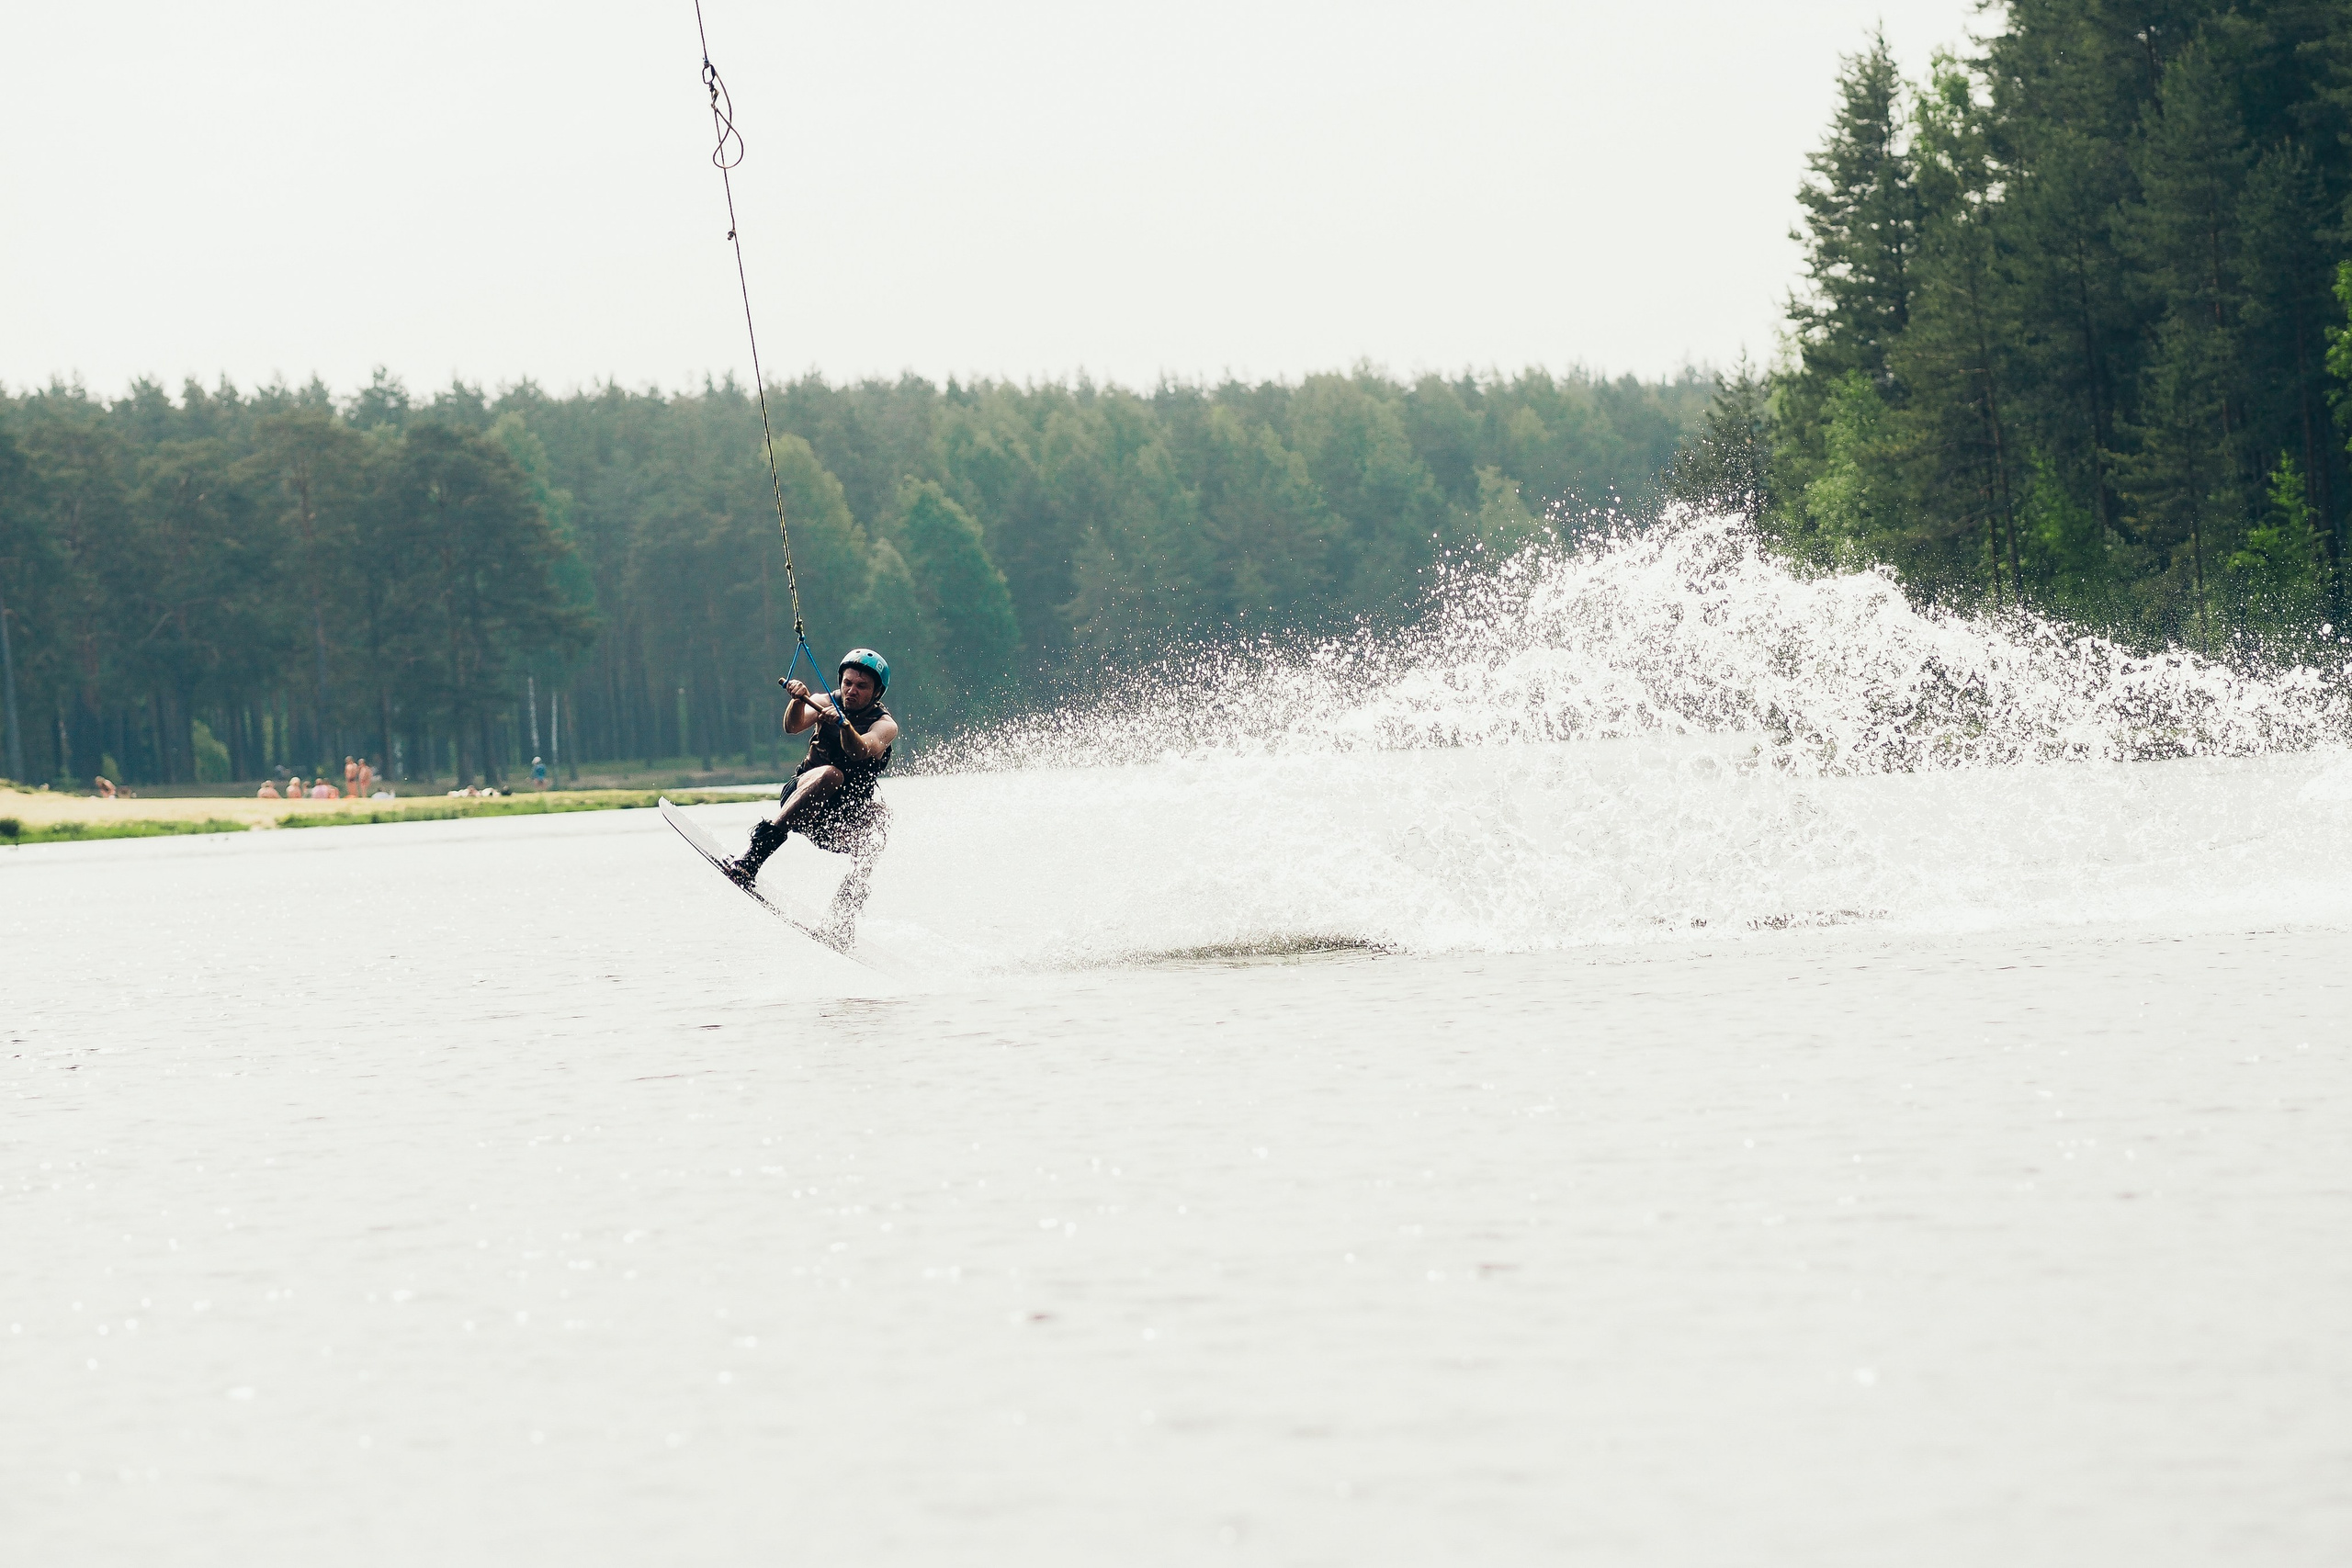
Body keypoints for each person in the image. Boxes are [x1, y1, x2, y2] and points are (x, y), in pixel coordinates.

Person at [726, 648, 897, 943]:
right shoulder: (824, 701)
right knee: (832, 774)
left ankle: (841, 918)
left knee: (881, 819)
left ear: (877, 692)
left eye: (861, 686)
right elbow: (792, 726)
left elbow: (859, 750)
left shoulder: (885, 725)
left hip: (838, 822)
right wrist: (797, 700)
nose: (852, 690)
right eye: (847, 683)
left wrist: (843, 725)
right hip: (802, 799)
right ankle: (753, 858)